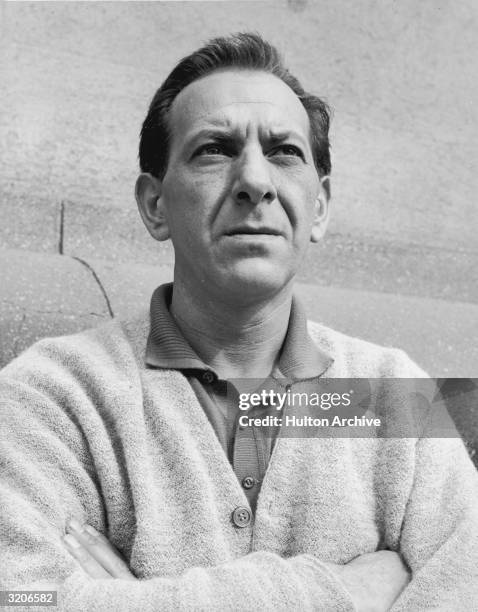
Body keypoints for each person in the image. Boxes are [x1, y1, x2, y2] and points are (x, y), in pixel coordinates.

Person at [1, 33, 477, 611]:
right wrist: (343, 594)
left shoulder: (392, 397)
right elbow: (20, 596)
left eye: (284, 152)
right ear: (155, 205)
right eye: (214, 149)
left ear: (319, 207)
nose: (256, 180)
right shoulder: (55, 394)